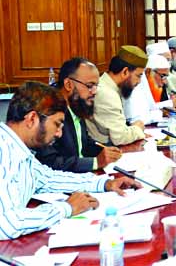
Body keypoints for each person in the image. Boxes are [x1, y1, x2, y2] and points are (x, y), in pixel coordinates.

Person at [0, 81, 141, 240]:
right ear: (32, 118)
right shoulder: (3, 151)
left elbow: (48, 179)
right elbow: (6, 224)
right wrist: (67, 208)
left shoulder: (18, 150)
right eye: (57, 124)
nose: (59, 133)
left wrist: (103, 184)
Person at [34, 58, 121, 172]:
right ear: (69, 84)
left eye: (96, 86)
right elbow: (50, 162)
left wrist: (105, 151)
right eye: (90, 86)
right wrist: (95, 162)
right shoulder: (49, 112)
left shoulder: (76, 104)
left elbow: (83, 144)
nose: (94, 91)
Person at [86, 46, 148, 146]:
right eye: (138, 75)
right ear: (125, 72)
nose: (139, 82)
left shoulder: (109, 87)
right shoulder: (107, 94)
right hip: (102, 151)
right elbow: (120, 138)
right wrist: (138, 128)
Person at [124, 54, 176, 124]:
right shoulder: (134, 85)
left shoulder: (146, 83)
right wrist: (162, 113)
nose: (165, 82)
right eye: (163, 76)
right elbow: (135, 120)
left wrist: (170, 106)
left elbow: (150, 107)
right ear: (148, 72)